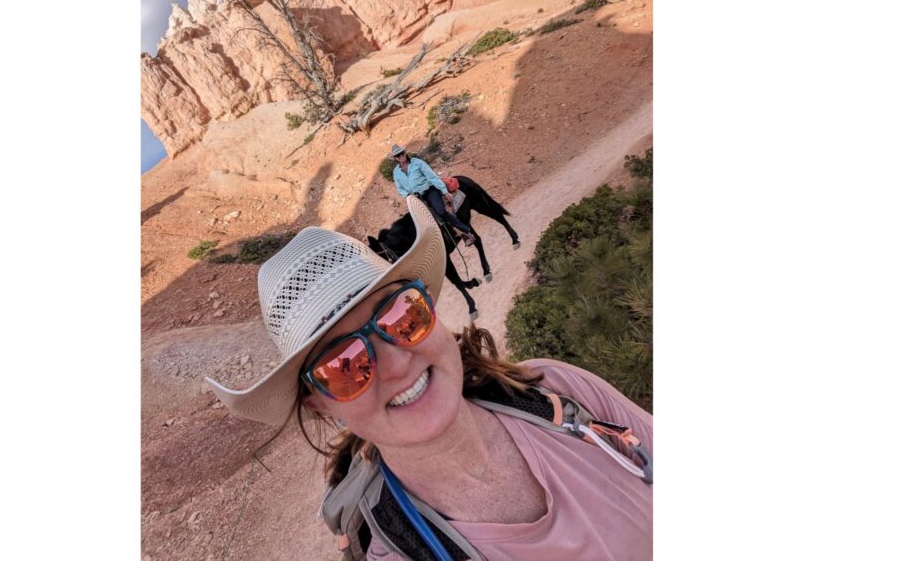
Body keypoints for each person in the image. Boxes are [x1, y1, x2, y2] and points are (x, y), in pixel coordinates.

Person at [206, 197, 653, 560]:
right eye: (344, 365)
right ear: (321, 403)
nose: (397, 365)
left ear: (432, 311)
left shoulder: (560, 389)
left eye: (403, 315)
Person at [389, 144, 475, 246]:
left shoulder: (417, 163)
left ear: (405, 152)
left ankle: (465, 232)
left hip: (429, 191)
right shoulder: (396, 172)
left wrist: (444, 191)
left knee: (441, 211)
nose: (401, 156)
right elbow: (400, 189)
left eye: (402, 153)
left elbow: (432, 177)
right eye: (398, 155)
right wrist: (408, 195)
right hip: (414, 198)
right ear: (395, 158)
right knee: (417, 222)